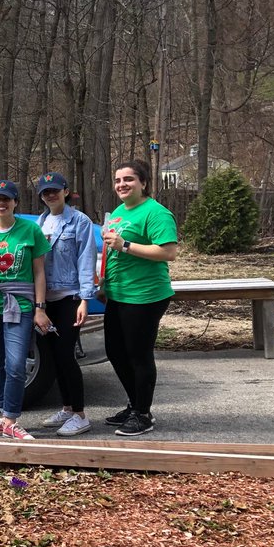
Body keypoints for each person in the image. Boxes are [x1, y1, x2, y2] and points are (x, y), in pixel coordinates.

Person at [100, 160, 178, 437]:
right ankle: (134, 404)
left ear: (143, 183)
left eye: (129, 179)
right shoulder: (119, 212)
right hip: (118, 293)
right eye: (118, 180)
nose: (122, 184)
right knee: (115, 351)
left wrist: (126, 245)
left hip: (144, 295)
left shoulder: (156, 213)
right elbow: (111, 252)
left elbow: (168, 252)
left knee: (138, 355)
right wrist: (104, 282)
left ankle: (143, 414)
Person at [0, 179, 52, 441]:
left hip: (20, 304)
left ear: (15, 202)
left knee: (16, 363)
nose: (1, 203)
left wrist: (40, 308)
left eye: (7, 198)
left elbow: (39, 273)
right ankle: (5, 418)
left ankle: (11, 419)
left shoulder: (30, 230)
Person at [34, 172, 99, 437]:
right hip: (45, 301)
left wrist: (85, 299)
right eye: (45, 192)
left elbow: (86, 259)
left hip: (69, 298)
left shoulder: (79, 221)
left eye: (55, 190)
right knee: (53, 357)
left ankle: (81, 415)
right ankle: (67, 408)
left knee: (65, 354)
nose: (51, 195)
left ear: (65, 191)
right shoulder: (39, 223)